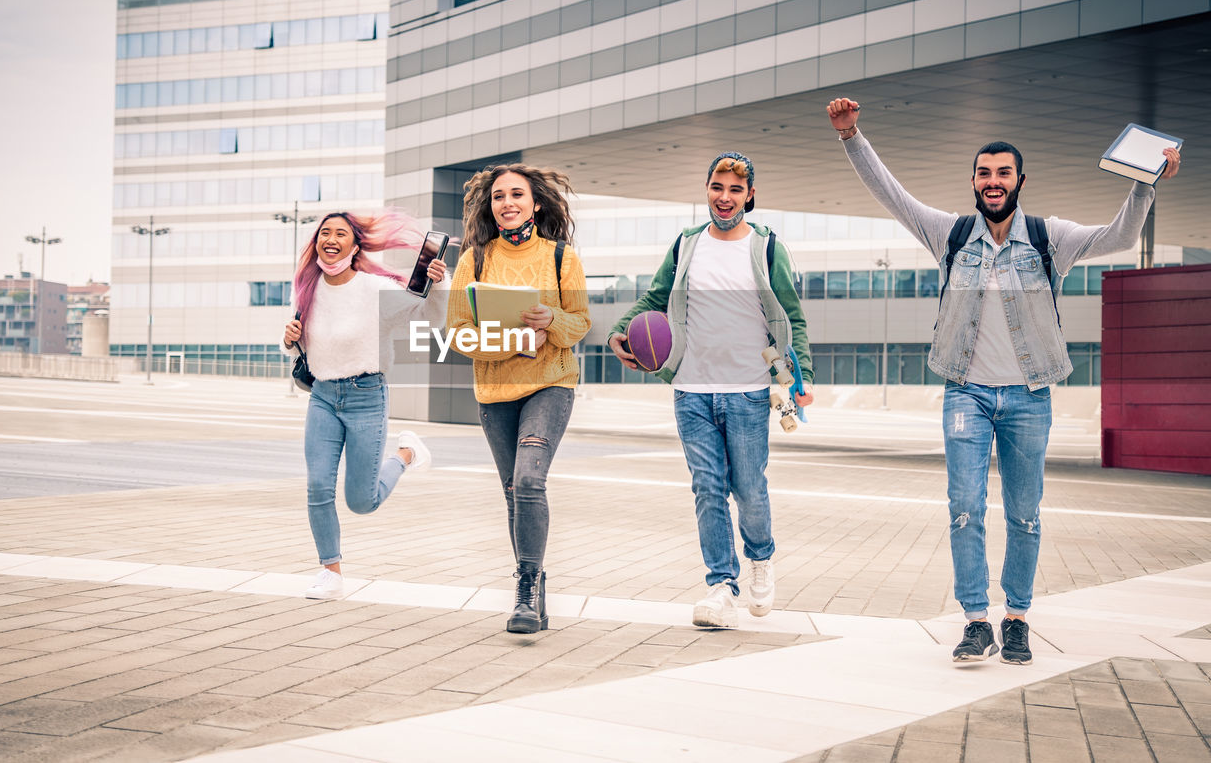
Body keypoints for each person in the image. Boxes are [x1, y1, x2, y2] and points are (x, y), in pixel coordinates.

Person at [826, 97, 1181, 664]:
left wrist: (1145, 184)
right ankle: (974, 620)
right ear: (973, 180)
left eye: (1003, 174)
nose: (994, 182)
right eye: (984, 173)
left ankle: (1015, 617)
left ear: (1020, 181)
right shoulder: (950, 233)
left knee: (1025, 513)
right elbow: (891, 195)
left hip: (1028, 396)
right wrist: (852, 137)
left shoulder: (1049, 237)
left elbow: (1118, 236)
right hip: (965, 392)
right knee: (964, 506)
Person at [608, 152, 814, 629]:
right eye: (717, 187)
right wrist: (621, 329)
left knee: (750, 488)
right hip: (690, 388)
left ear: (750, 196)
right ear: (706, 190)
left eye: (735, 190)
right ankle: (722, 586)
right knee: (708, 488)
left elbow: (791, 317)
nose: (725, 197)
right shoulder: (686, 245)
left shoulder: (766, 249)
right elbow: (654, 298)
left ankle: (761, 558)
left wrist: (798, 380)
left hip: (748, 389)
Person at [446, 164, 590, 633]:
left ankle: (524, 590)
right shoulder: (474, 260)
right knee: (513, 493)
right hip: (495, 391)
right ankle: (535, 594)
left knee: (529, 481)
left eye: (516, 195)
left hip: (551, 384)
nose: (506, 203)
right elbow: (458, 335)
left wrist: (551, 321)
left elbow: (580, 324)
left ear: (536, 203)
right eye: (498, 197)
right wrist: (512, 341)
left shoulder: (561, 257)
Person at [283, 211, 448, 600]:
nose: (331, 238)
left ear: (355, 245)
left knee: (362, 501)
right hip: (323, 397)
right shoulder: (307, 288)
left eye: (341, 232)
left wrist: (439, 286)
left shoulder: (374, 289)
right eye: (325, 232)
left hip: (366, 396)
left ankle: (406, 454)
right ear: (317, 242)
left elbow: (430, 318)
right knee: (318, 486)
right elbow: (296, 342)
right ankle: (331, 572)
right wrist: (289, 337)